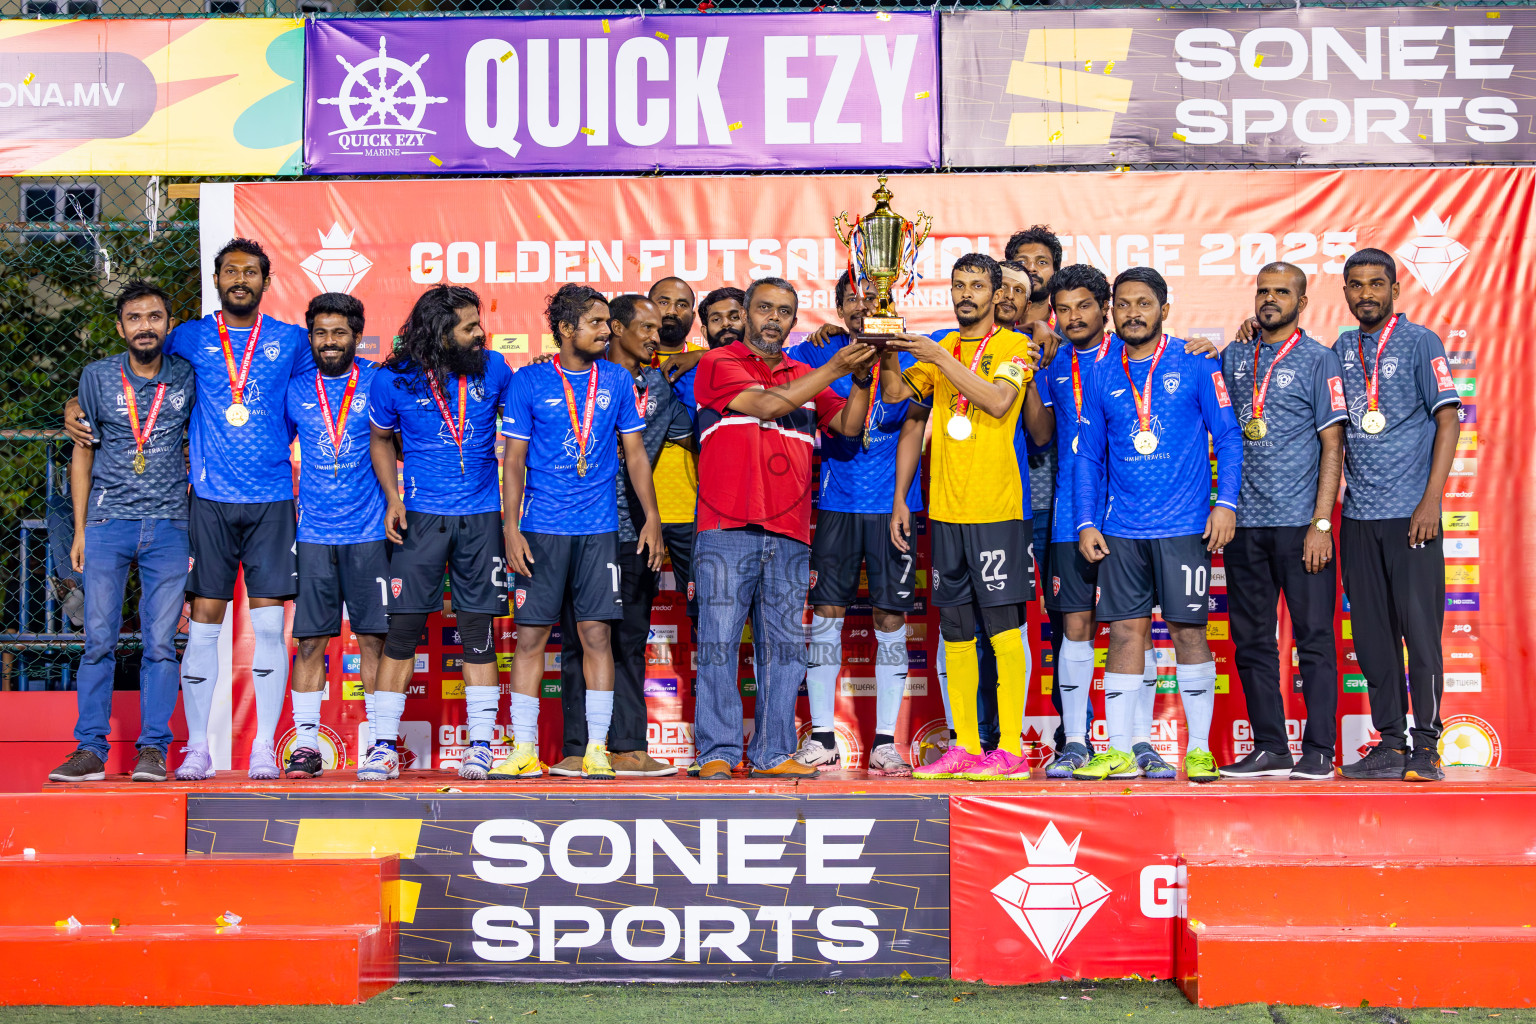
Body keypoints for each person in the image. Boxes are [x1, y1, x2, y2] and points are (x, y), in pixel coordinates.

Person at [67, 238, 312, 781]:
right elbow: (133, 374)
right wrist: (73, 406)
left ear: (266, 283)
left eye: (250, 272)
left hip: (272, 498)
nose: (240, 279)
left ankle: (264, 750)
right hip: (206, 503)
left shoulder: (292, 341)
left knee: (271, 629)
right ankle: (196, 747)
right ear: (218, 280)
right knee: (201, 626)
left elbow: (335, 377)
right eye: (230, 271)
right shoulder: (187, 338)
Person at [691, 277, 874, 780]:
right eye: (765, 308)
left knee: (785, 653)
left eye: (785, 312)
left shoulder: (804, 372)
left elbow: (850, 427)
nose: (774, 318)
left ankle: (772, 752)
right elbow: (769, 405)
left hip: (791, 530)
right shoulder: (718, 363)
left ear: (795, 320)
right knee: (719, 645)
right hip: (726, 525)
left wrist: (858, 380)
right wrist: (836, 366)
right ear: (747, 313)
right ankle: (718, 753)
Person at [1074, 267, 1243, 784]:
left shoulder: (1195, 362)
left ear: (1163, 309)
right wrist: (1085, 520)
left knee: (1190, 633)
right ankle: (1120, 750)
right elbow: (1089, 459)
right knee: (1125, 633)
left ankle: (1198, 751)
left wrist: (1226, 502)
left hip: (1184, 527)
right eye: (1122, 304)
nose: (1132, 313)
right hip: (1121, 529)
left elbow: (1230, 437)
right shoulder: (1101, 373)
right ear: (1111, 311)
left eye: (1143, 303)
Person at [883, 253, 1037, 782]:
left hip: (996, 510)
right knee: (955, 631)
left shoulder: (1015, 346)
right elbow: (895, 396)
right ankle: (966, 747)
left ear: (996, 294)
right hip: (945, 511)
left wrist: (939, 359)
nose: (965, 293)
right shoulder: (942, 345)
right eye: (958, 284)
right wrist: (886, 349)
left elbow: (997, 402)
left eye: (976, 285)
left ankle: (1012, 749)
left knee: (1002, 628)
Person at [515, 291, 676, 781]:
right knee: (531, 636)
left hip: (600, 528)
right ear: (565, 328)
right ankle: (522, 749)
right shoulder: (529, 379)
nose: (606, 331)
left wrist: (651, 517)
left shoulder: (616, 380)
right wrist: (509, 527)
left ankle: (597, 748)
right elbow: (514, 461)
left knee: (596, 634)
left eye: (608, 322)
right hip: (541, 528)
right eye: (596, 323)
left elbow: (636, 454)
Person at [49, 282, 196, 784]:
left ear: (168, 324)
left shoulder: (186, 376)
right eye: (134, 318)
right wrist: (82, 528)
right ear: (121, 327)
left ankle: (153, 750)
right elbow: (83, 449)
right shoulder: (96, 377)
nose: (145, 326)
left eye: (155, 317)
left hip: (171, 525)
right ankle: (89, 749)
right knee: (98, 642)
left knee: (160, 644)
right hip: (108, 524)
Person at [367, 285, 513, 782]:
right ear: (439, 332)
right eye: (469, 327)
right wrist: (392, 498)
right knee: (403, 631)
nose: (480, 334)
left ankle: (480, 747)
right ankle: (383, 746)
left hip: (482, 518)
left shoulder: (494, 369)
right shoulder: (392, 380)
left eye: (479, 324)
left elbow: (518, 436)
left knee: (477, 634)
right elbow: (381, 440)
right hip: (420, 519)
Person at [787, 274, 929, 777]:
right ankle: (823, 736)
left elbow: (913, 424)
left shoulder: (916, 354)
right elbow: (775, 370)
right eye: (854, 299)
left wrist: (899, 501)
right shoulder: (816, 356)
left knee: (892, 618)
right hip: (836, 506)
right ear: (841, 308)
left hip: (895, 507)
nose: (864, 306)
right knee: (826, 615)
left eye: (874, 298)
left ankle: (886, 742)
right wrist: (820, 341)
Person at [1333, 249, 1461, 783]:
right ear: (1345, 293)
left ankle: (1427, 747)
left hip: (1413, 516)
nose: (1367, 294)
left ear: (1395, 290)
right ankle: (1389, 742)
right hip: (1358, 517)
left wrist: (1431, 501)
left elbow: (1449, 419)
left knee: (1420, 633)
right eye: (1357, 285)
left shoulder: (1421, 341)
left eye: (1377, 284)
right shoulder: (1339, 347)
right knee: (1372, 636)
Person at [1217, 264, 1347, 782]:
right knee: (1251, 641)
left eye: (1281, 292)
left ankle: (1319, 749)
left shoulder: (1320, 360)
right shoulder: (1233, 355)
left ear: (1303, 301)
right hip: (1243, 525)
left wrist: (1321, 524)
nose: (1270, 299)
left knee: (1315, 639)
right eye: (1263, 291)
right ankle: (1270, 746)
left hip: (1300, 526)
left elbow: (1333, 444)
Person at [284, 292, 389, 780]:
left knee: (372, 639)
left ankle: (379, 745)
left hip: (369, 533)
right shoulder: (295, 388)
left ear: (356, 335)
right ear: (311, 337)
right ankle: (305, 745)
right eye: (321, 333)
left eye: (340, 333)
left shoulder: (379, 382)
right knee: (309, 642)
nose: (330, 342)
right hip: (313, 535)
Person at [647, 277, 708, 630]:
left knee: (710, 622)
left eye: (682, 304)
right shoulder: (616, 360)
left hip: (695, 512)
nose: (672, 310)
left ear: (693, 314)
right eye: (664, 301)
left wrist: (700, 354)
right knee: (627, 619)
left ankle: (709, 688)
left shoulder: (711, 363)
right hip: (633, 514)